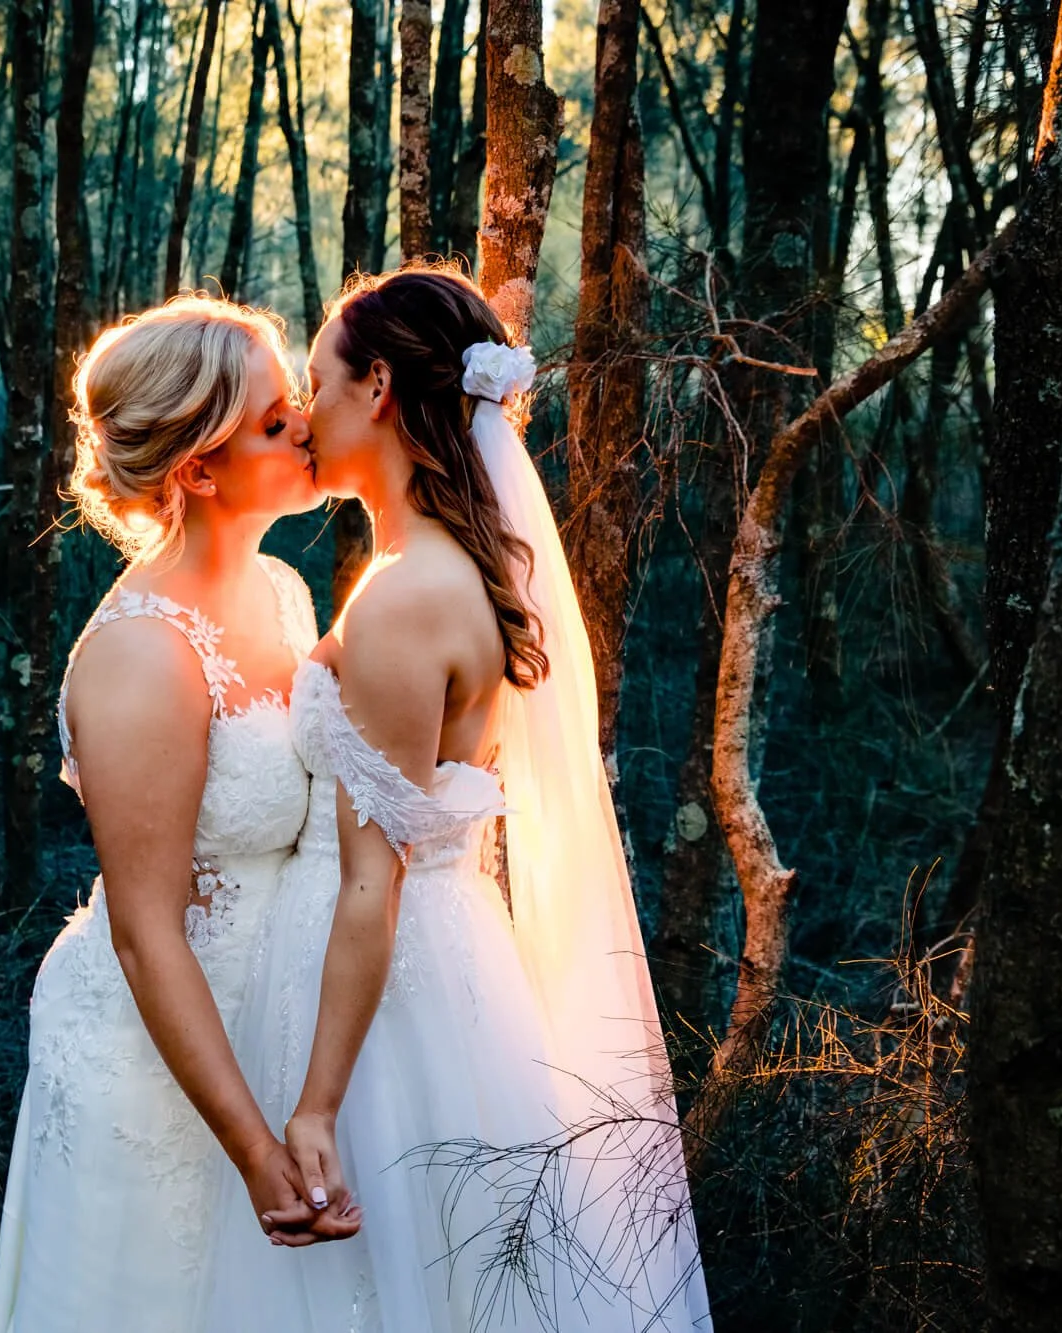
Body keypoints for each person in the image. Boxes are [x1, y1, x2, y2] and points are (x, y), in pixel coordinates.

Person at [210, 267, 710, 1330]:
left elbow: (367, 884)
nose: (303, 412)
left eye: (317, 382)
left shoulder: (403, 598)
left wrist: (314, 1106)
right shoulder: (436, 569)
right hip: (443, 956)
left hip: (384, 998)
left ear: (377, 386)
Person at [0, 296, 360, 1333]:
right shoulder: (140, 657)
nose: (306, 425)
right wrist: (251, 1149)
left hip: (269, 1018)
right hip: (160, 1061)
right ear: (197, 468)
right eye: (275, 420)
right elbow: (149, 934)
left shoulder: (283, 590)